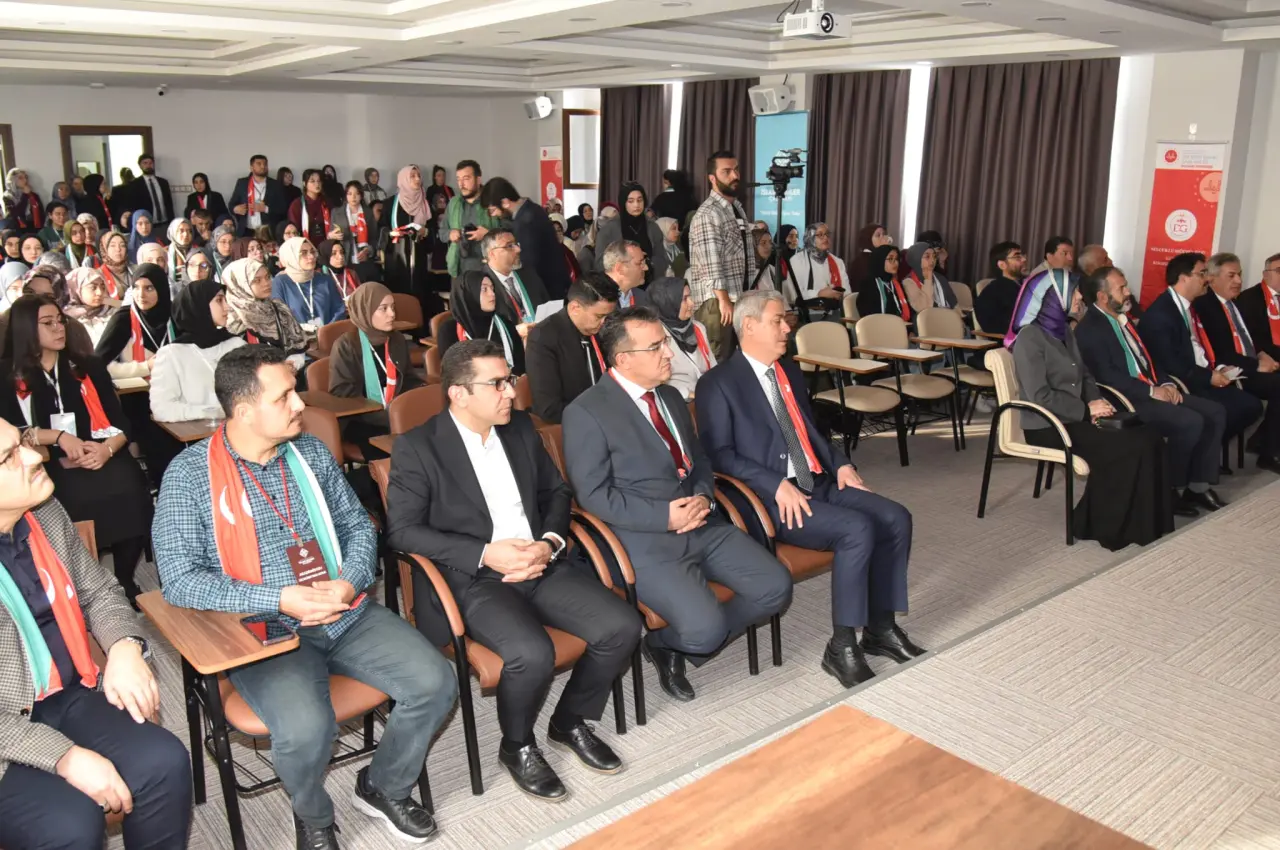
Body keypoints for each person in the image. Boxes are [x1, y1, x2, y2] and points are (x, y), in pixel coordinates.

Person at [154, 345, 456, 848]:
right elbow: (181, 581)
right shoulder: (190, 476)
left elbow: (358, 526)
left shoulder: (309, 453)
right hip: (264, 627)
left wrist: (350, 580)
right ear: (244, 411)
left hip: (343, 611)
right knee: (306, 730)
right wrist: (279, 598)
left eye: (295, 390)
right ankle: (313, 816)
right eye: (284, 396)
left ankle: (383, 786)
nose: (299, 404)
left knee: (436, 682)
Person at [385, 339, 639, 798]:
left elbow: (556, 493)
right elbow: (402, 532)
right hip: (475, 578)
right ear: (459, 394)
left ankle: (569, 721)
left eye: (511, 379)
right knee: (532, 653)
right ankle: (517, 745)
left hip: (540, 562)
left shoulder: (520, 427)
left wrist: (549, 543)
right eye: (498, 383)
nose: (512, 392)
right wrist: (486, 553)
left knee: (622, 626)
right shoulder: (419, 447)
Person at [562, 307, 791, 702]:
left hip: (701, 522)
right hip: (643, 540)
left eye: (665, 342)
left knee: (775, 588)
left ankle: (673, 641)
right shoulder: (586, 412)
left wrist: (702, 495)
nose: (668, 353)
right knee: (705, 632)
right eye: (656, 347)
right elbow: (592, 495)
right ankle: (666, 644)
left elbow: (698, 459)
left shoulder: (668, 396)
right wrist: (663, 517)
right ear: (623, 359)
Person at [696, 289, 921, 685]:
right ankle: (842, 646)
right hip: (768, 499)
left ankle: (880, 628)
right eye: (777, 321)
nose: (787, 328)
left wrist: (841, 464)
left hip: (815, 480)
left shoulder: (789, 371)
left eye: (786, 321)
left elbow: (810, 433)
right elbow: (719, 456)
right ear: (749, 326)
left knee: (895, 517)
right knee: (857, 529)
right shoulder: (718, 383)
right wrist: (774, 484)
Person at [0, 417, 192, 850]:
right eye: (9, 457)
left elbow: (99, 590)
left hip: (64, 692)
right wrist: (62, 756)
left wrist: (124, 647)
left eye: (24, 442)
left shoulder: (44, 512)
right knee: (70, 824)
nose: (35, 456)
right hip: (5, 724)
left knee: (164, 762)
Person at [0, 294, 154, 602]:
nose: (59, 328)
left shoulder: (86, 366)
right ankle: (84, 583)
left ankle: (124, 579)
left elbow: (122, 425)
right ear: (26, 329)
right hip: (44, 458)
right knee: (69, 494)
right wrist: (57, 437)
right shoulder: (8, 375)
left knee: (130, 486)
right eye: (48, 323)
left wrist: (107, 450)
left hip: (99, 451)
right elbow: (10, 433)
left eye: (60, 321)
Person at [1010, 289, 1173, 550]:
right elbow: (1040, 396)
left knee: (1149, 436)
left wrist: (1098, 404)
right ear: (1054, 298)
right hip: (1048, 425)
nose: (1079, 299)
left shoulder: (1064, 330)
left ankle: (1147, 523)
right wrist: (1086, 411)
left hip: (1078, 416)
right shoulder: (1030, 337)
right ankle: (1099, 526)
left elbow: (1085, 376)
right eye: (1073, 293)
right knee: (1125, 448)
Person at [1074, 267, 1226, 515]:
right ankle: (1171, 490)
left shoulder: (1123, 319)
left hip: (1151, 388)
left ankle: (1198, 487)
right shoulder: (1090, 329)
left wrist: (1165, 383)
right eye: (1121, 288)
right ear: (1102, 297)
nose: (1128, 292)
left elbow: (1148, 360)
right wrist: (1151, 392)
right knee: (1190, 421)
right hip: (1125, 399)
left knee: (1215, 412)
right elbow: (1106, 376)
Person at [1138, 252, 1264, 467]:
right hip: (1182, 381)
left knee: (1250, 405)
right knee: (1229, 409)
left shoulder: (1189, 306)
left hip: (1201, 372)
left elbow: (1200, 347)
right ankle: (1199, 459)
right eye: (1202, 273)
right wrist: (1208, 377)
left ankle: (1204, 452)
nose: (1207, 278)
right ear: (1184, 278)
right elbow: (1171, 363)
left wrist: (1218, 368)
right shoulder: (1162, 314)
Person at [1193, 251, 1280, 471]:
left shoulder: (1233, 303)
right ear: (1212, 278)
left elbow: (1247, 339)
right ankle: (1268, 452)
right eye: (1231, 276)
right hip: (1229, 370)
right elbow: (1220, 353)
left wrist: (1260, 354)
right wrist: (1256, 365)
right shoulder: (1206, 306)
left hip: (1248, 363)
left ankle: (1264, 442)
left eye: (1239, 274)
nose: (1239, 281)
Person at [328, 282, 422, 458]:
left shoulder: (397, 339)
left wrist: (418, 394)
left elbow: (408, 378)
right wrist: (386, 413)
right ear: (366, 310)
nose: (392, 314)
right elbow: (342, 394)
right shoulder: (347, 345)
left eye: (393, 307)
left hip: (394, 414)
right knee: (406, 445)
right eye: (383, 309)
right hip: (361, 419)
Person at [526, 274, 619, 424]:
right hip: (574, 422)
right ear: (575, 308)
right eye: (598, 316)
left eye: (607, 316)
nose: (604, 323)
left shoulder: (603, 330)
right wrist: (599, 418)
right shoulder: (543, 338)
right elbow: (548, 408)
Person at [150, 279, 245, 424]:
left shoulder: (237, 345)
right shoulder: (172, 354)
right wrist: (212, 412)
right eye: (219, 300)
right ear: (199, 306)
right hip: (197, 434)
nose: (227, 307)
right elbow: (162, 409)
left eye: (225, 300)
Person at [687, 151, 753, 361]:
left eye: (736, 170)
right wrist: (723, 300)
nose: (735, 176)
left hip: (736, 298)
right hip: (716, 302)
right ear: (712, 178)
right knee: (716, 361)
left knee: (734, 360)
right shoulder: (709, 213)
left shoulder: (735, 208)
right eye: (727, 171)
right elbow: (711, 263)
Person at [480, 177, 572, 300]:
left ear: (505, 202)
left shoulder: (525, 222)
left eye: (492, 210)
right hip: (557, 283)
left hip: (547, 289)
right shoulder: (533, 208)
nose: (493, 215)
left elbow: (529, 264)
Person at [94, 264, 173, 380]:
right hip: (136, 390)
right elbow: (98, 365)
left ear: (161, 290)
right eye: (136, 287)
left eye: (149, 288)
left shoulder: (176, 316)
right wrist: (145, 367)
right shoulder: (123, 319)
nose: (141, 295)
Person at [223, 257, 310, 362]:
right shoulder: (230, 320)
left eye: (267, 277)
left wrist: (293, 364)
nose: (266, 283)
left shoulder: (279, 309)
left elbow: (298, 345)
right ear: (240, 285)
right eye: (257, 280)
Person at [438, 271, 525, 374]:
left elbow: (521, 366)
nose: (492, 294)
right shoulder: (449, 330)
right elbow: (450, 372)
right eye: (484, 289)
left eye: (492, 288)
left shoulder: (506, 325)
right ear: (469, 293)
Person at [382, 165, 441, 317]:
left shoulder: (425, 204)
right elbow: (380, 230)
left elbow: (434, 232)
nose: (417, 179)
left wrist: (425, 232)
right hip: (396, 260)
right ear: (403, 179)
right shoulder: (390, 204)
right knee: (397, 298)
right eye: (412, 176)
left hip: (419, 260)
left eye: (419, 176)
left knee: (419, 298)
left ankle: (418, 329)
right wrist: (391, 233)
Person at [649, 277, 715, 400]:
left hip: (707, 395)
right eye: (684, 299)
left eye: (690, 296)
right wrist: (689, 395)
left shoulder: (697, 328)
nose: (692, 303)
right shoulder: (656, 337)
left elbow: (713, 367)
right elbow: (655, 381)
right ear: (668, 303)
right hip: (679, 401)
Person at [593, 182, 669, 282]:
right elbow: (600, 264)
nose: (636, 205)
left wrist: (647, 263)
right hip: (621, 285)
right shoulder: (608, 230)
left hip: (649, 284)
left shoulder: (653, 227)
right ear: (623, 203)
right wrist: (629, 263)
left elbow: (662, 259)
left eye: (639, 200)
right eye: (631, 201)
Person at [272, 237, 346, 332]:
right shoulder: (281, 282)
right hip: (299, 338)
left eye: (312, 251)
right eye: (304, 253)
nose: (311, 256)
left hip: (330, 336)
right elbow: (280, 318)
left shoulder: (325, 280)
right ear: (291, 256)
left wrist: (326, 332)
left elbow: (339, 310)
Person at [442, 160, 500, 280]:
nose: (461, 184)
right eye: (458, 179)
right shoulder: (453, 203)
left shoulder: (493, 201)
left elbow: (510, 232)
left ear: (478, 179)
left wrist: (488, 234)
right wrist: (450, 234)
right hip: (458, 270)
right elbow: (442, 232)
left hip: (488, 270)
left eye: (466, 178)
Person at [483, 227, 547, 331]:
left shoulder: (529, 275)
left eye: (516, 244)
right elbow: (486, 330)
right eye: (509, 246)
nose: (518, 249)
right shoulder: (482, 285)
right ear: (492, 254)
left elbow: (546, 305)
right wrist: (515, 332)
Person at [790, 223, 849, 320]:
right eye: (820, 235)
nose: (825, 238)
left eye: (827, 234)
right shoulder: (797, 260)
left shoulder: (837, 262)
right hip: (808, 315)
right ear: (810, 238)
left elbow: (847, 293)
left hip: (836, 313)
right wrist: (819, 293)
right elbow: (793, 295)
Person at [974, 241, 1025, 335]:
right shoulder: (991, 293)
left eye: (1022, 256)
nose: (1024, 259)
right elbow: (991, 326)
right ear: (1002, 265)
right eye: (1017, 257)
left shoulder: (1026, 286)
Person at [229, 154, 287, 237]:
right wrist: (235, 209)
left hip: (268, 231)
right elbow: (231, 205)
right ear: (251, 167)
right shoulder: (242, 183)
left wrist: (266, 209)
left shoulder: (276, 185)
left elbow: (283, 208)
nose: (263, 166)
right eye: (259, 164)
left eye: (265, 164)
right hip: (246, 230)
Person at [332, 181, 377, 282]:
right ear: (346, 195)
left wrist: (368, 251)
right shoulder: (336, 212)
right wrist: (331, 235)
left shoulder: (368, 213)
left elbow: (374, 238)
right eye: (350, 194)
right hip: (344, 257)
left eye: (357, 193)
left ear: (361, 195)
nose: (353, 197)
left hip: (363, 258)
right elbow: (330, 237)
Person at [855, 244, 911, 323]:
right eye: (891, 259)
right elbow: (866, 314)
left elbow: (903, 310)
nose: (895, 263)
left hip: (897, 326)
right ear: (880, 260)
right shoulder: (868, 284)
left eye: (897, 259)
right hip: (875, 326)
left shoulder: (896, 284)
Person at [63, 268, 116, 346]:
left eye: (103, 287)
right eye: (93, 288)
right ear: (77, 289)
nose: (99, 292)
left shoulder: (112, 307)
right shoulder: (65, 319)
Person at [288, 169, 340, 247]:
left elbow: (335, 222)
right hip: (305, 245)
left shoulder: (327, 202)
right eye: (312, 181)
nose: (317, 184)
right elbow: (293, 229)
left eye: (319, 181)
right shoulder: (297, 204)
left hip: (327, 244)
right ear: (304, 183)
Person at [903, 242, 957, 314]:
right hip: (925, 319)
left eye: (934, 256)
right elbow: (924, 309)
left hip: (946, 316)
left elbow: (954, 305)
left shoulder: (940, 278)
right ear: (917, 259)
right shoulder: (908, 282)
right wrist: (928, 280)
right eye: (927, 257)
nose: (932, 260)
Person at [125, 154, 172, 229]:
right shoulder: (134, 184)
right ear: (140, 166)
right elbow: (133, 206)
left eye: (150, 163)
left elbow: (169, 203)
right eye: (145, 163)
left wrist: (172, 221)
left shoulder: (163, 182)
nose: (148, 165)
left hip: (165, 222)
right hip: (146, 224)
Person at [648, 170, 697, 242]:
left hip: (666, 235)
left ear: (669, 183)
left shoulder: (662, 197)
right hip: (686, 236)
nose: (663, 185)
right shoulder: (689, 197)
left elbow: (649, 214)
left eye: (665, 182)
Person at [847, 223, 892, 293]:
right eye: (878, 235)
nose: (883, 238)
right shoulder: (862, 261)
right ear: (868, 239)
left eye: (883, 234)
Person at [3, 168, 44, 234]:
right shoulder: (7, 196)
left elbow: (41, 213)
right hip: (17, 228)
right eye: (20, 178)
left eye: (26, 177)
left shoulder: (33, 195)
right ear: (13, 180)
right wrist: (25, 195)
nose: (25, 180)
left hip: (34, 228)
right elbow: (16, 213)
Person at [97, 231, 134, 301]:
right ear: (104, 249)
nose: (118, 249)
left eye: (122, 245)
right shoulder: (98, 275)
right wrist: (125, 305)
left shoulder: (135, 269)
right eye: (112, 245)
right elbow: (103, 301)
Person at [165, 219, 195, 295]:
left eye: (189, 231)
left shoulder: (197, 251)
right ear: (173, 232)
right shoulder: (165, 253)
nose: (186, 234)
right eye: (181, 231)